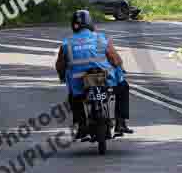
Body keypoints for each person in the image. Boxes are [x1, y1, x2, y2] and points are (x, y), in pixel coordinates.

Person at [55, 10, 134, 139]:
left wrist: (62, 76)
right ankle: (121, 123)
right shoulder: (100, 38)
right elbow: (115, 60)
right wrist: (120, 68)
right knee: (123, 87)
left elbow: (60, 65)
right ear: (90, 23)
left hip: (79, 83)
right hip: (105, 78)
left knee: (74, 98)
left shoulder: (66, 43)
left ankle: (81, 126)